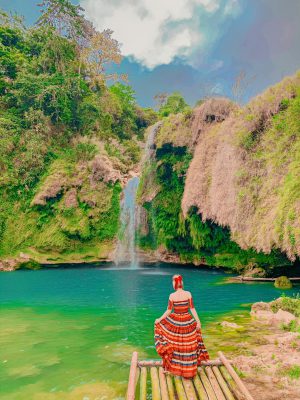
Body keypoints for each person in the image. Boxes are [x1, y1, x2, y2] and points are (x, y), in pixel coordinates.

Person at [154, 274, 209, 379]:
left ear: (174, 283)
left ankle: (177, 368)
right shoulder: (188, 293)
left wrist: (159, 319)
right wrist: (198, 321)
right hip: (187, 320)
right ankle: (189, 370)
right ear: (181, 282)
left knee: (177, 345)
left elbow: (169, 311)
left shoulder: (172, 296)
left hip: (176, 321)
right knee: (188, 345)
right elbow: (192, 309)